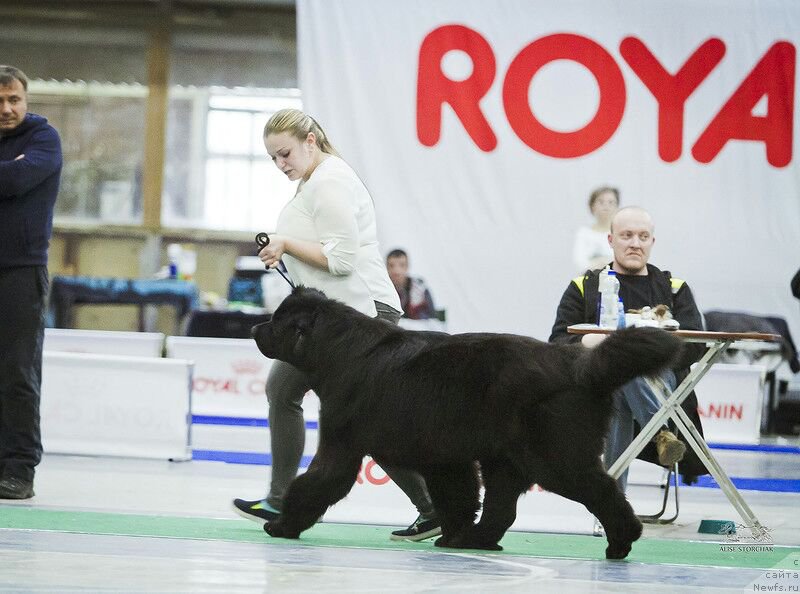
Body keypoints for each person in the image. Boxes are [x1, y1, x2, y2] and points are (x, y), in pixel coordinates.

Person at [232, 109, 440, 541]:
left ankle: (434, 508)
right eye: (273, 158)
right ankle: (282, 498)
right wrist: (282, 248)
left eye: (285, 153)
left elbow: (341, 261)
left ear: (310, 141)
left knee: (362, 420)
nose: (280, 164)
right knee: (284, 391)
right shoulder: (315, 180)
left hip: (365, 315)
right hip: (338, 321)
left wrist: (286, 243)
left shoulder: (330, 181)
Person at [550, 206, 707, 491]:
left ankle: (611, 501)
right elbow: (558, 343)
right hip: (598, 386)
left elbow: (697, 346)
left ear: (652, 242)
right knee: (621, 373)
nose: (635, 243)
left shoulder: (675, 288)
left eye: (643, 236)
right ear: (611, 240)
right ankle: (660, 433)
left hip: (661, 380)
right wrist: (592, 341)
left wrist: (647, 353)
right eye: (627, 235)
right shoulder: (584, 286)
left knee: (623, 375)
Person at [0, 65, 62, 499]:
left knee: (17, 372)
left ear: (25, 100)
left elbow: (17, 178)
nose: (6, 109)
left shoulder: (44, 139)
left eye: (13, 100)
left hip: (20, 271)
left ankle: (19, 469)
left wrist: (12, 172)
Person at [572, 186, 620, 273]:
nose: (606, 206)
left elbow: (622, 262)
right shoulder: (583, 233)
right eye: (601, 202)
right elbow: (580, 263)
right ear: (592, 206)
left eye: (611, 202)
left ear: (617, 207)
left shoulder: (621, 234)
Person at [386, 248, 437, 320]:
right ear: (386, 267)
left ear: (407, 266)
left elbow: (431, 317)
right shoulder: (380, 289)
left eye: (402, 265)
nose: (396, 271)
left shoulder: (420, 288)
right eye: (391, 265)